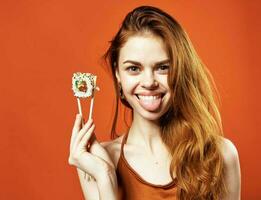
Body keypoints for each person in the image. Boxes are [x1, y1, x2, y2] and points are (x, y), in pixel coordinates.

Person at [68, 5, 241, 200]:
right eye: (134, 68)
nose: (149, 82)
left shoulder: (220, 155)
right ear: (117, 74)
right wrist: (106, 177)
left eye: (163, 67)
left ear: (180, 71)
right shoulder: (99, 161)